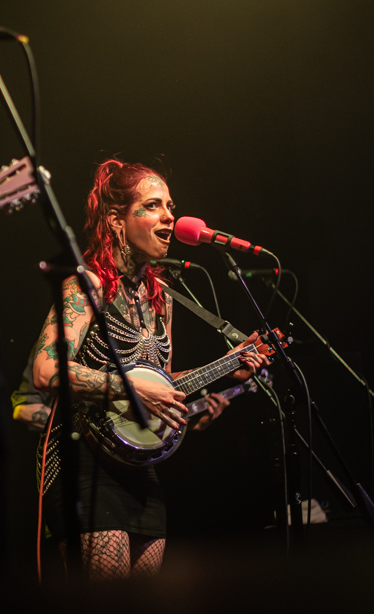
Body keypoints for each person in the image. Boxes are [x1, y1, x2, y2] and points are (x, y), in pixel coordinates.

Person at [31, 159, 268, 579]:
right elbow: (47, 371)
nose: (169, 216)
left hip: (140, 466)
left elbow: (159, 382)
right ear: (116, 220)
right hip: (83, 459)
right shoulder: (87, 285)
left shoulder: (164, 299)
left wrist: (227, 368)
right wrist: (131, 391)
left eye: (170, 206)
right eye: (153, 205)